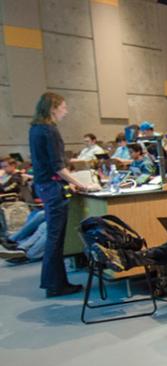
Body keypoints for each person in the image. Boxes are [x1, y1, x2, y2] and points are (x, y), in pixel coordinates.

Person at [28, 92, 100, 297]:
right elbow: (58, 167)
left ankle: (54, 282)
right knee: (55, 237)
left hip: (44, 186)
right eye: (63, 107)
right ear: (53, 107)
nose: (65, 111)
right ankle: (55, 284)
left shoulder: (35, 129)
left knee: (54, 236)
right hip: (52, 188)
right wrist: (83, 186)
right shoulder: (49, 131)